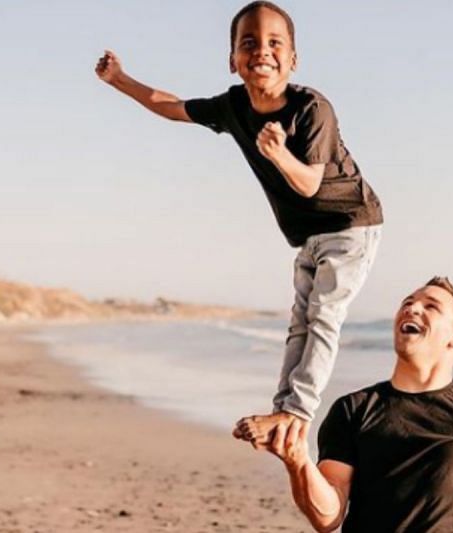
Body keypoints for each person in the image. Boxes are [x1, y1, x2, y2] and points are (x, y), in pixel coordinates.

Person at [95, 1, 383, 443]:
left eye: (274, 43)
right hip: (307, 236)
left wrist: (279, 154)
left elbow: (308, 184)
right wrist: (120, 80)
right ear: (233, 61)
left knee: (324, 316)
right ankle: (282, 410)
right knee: (300, 323)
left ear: (293, 59)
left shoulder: (312, 109)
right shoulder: (234, 107)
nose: (261, 50)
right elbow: (172, 106)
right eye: (248, 43)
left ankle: (297, 414)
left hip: (350, 224)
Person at [257, 277, 453, 533]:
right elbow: (328, 518)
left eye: (431, 306)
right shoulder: (354, 410)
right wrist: (298, 461)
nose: (412, 309)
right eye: (407, 303)